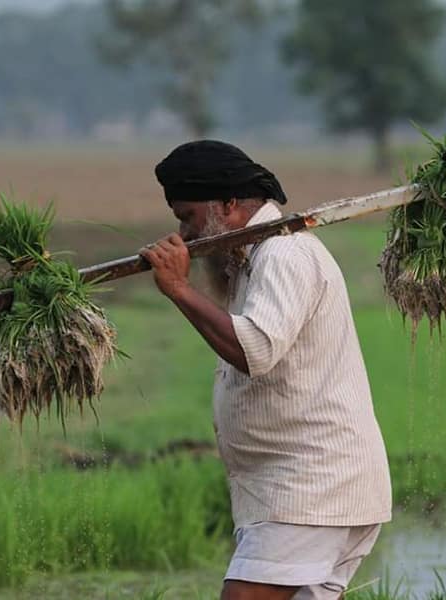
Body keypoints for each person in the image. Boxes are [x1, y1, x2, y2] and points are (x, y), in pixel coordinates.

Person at [139, 140, 391, 600]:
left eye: (188, 217)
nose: (185, 233)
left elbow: (254, 348)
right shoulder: (252, 257)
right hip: (297, 489)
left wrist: (177, 287)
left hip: (312, 486)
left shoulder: (284, 255)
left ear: (229, 204)